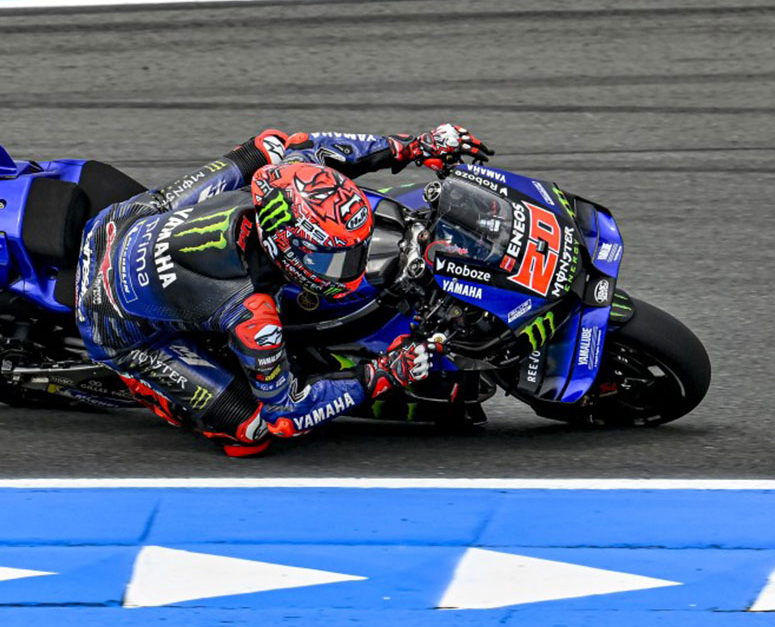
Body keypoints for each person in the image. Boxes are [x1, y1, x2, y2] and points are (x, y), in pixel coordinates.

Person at [74, 124, 493, 455]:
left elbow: (315, 146)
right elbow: (288, 413)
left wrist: (415, 146)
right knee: (251, 431)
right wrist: (383, 374)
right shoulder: (255, 316)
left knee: (268, 146)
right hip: (112, 320)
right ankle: (147, 387)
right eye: (331, 259)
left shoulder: (291, 174)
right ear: (285, 249)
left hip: (124, 221)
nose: (346, 267)